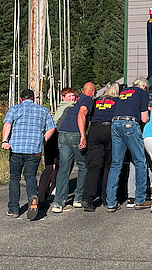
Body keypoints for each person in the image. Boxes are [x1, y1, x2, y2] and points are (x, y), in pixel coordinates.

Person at [1, 88, 56, 220]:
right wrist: (43, 141)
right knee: (30, 176)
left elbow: (7, 124)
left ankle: (14, 209)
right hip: (34, 149)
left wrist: (5, 140)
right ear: (34, 99)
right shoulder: (43, 110)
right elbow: (51, 128)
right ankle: (33, 196)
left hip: (16, 149)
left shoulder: (15, 109)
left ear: (21, 99)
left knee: (14, 177)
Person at [105, 78, 150, 212]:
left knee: (116, 163)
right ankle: (140, 200)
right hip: (130, 124)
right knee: (140, 161)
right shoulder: (143, 93)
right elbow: (144, 118)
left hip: (115, 124)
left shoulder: (124, 92)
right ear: (144, 87)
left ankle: (111, 202)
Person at [50, 82, 95, 213]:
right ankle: (78, 198)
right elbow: (81, 115)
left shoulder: (78, 99)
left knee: (64, 167)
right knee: (83, 164)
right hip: (75, 134)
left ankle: (58, 203)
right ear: (92, 92)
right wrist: (83, 136)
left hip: (62, 133)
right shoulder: (88, 100)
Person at [81, 81, 120, 211]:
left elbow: (88, 116)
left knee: (94, 166)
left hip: (95, 129)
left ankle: (87, 198)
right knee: (109, 165)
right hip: (110, 129)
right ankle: (106, 197)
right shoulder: (117, 100)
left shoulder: (96, 100)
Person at [37, 87, 78, 205]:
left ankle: (45, 191)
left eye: (73, 96)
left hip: (51, 137)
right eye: (69, 96)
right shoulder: (69, 107)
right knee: (58, 166)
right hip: (58, 137)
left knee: (54, 166)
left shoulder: (60, 107)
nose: (72, 98)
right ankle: (52, 190)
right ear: (63, 97)